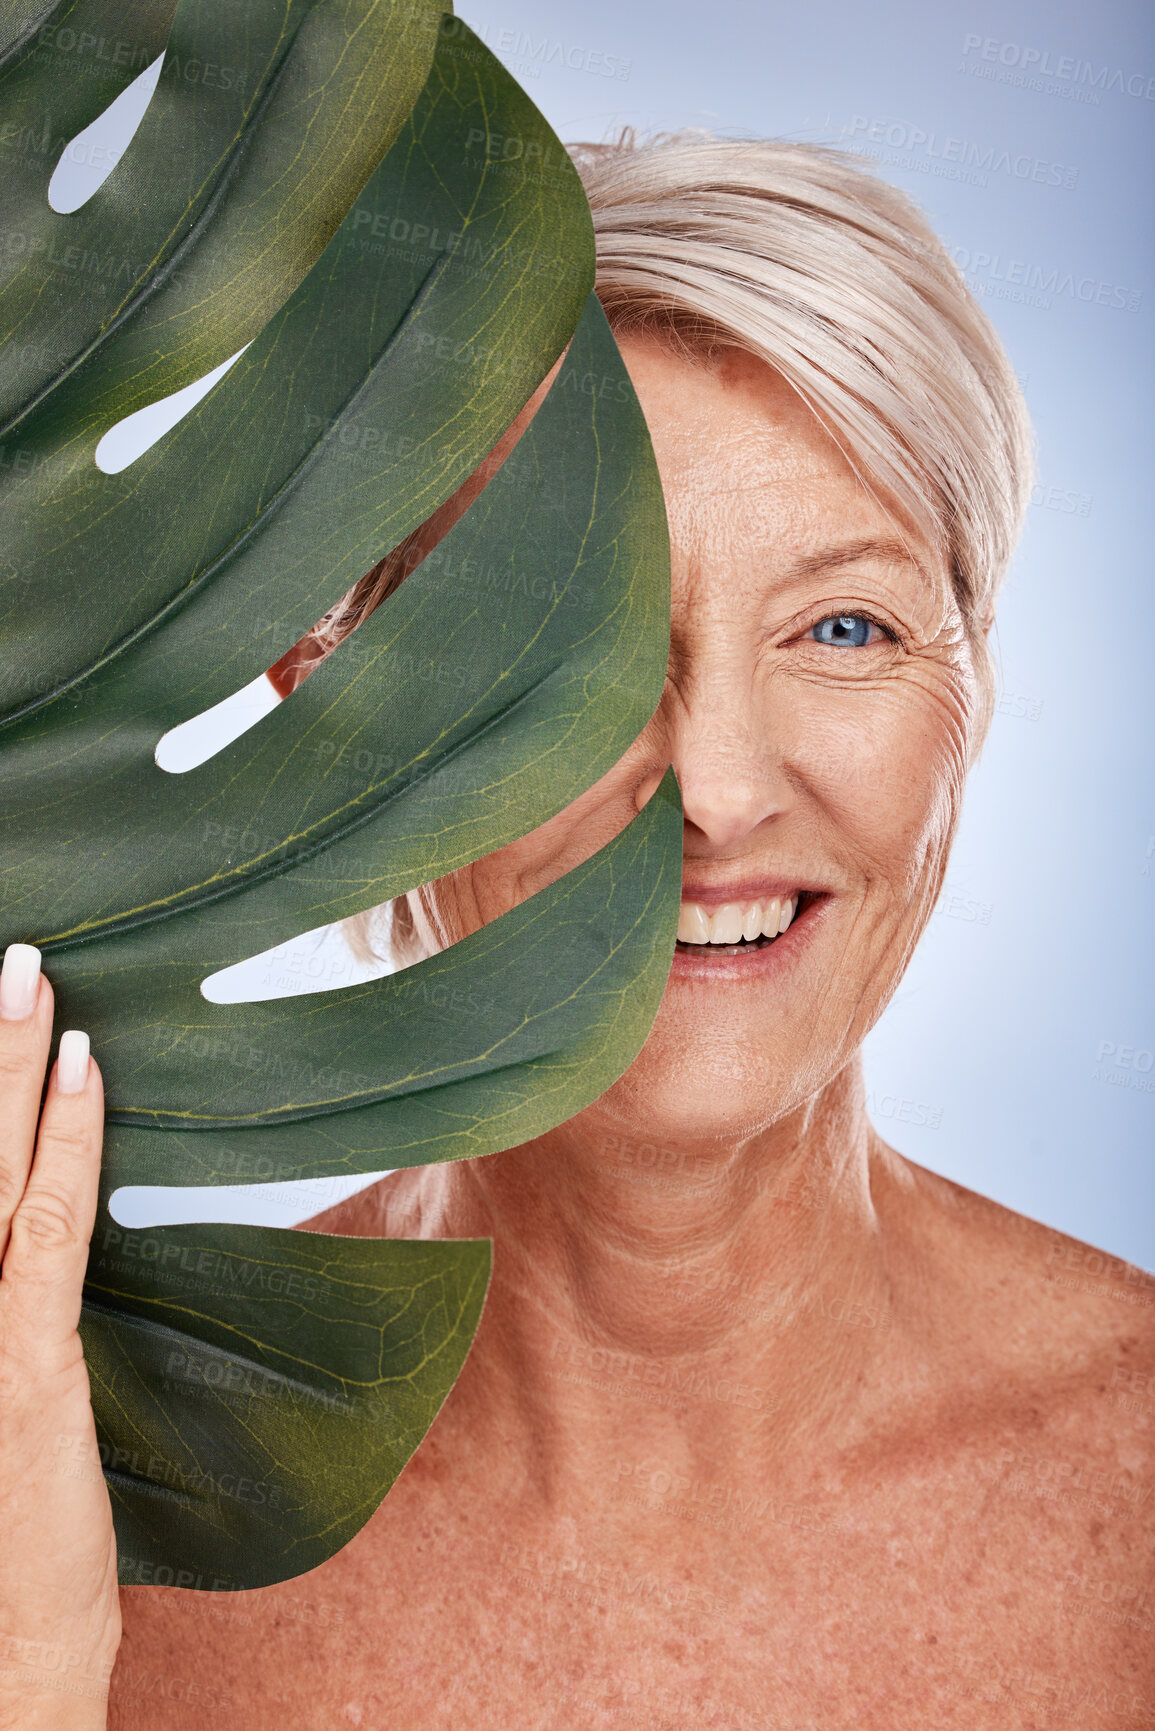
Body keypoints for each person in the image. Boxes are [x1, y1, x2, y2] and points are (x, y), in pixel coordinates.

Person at [2, 133, 1151, 1731]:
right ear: (327, 693)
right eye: (570, 628)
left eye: (845, 626)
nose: (723, 789)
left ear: (974, 687)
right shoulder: (68, 1512)